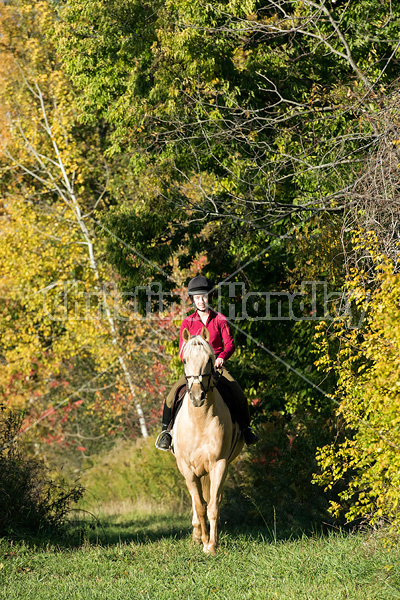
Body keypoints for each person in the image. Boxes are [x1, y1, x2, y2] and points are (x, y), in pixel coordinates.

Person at [156, 275, 258, 450]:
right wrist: (193, 360)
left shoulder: (220, 320)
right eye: (197, 298)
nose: (201, 301)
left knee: (238, 392)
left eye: (204, 296)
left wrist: (221, 357)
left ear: (209, 297)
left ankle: (246, 430)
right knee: (171, 396)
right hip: (194, 370)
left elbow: (230, 344)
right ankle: (167, 433)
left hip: (216, 368)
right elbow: (182, 351)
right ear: (193, 300)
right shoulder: (187, 322)